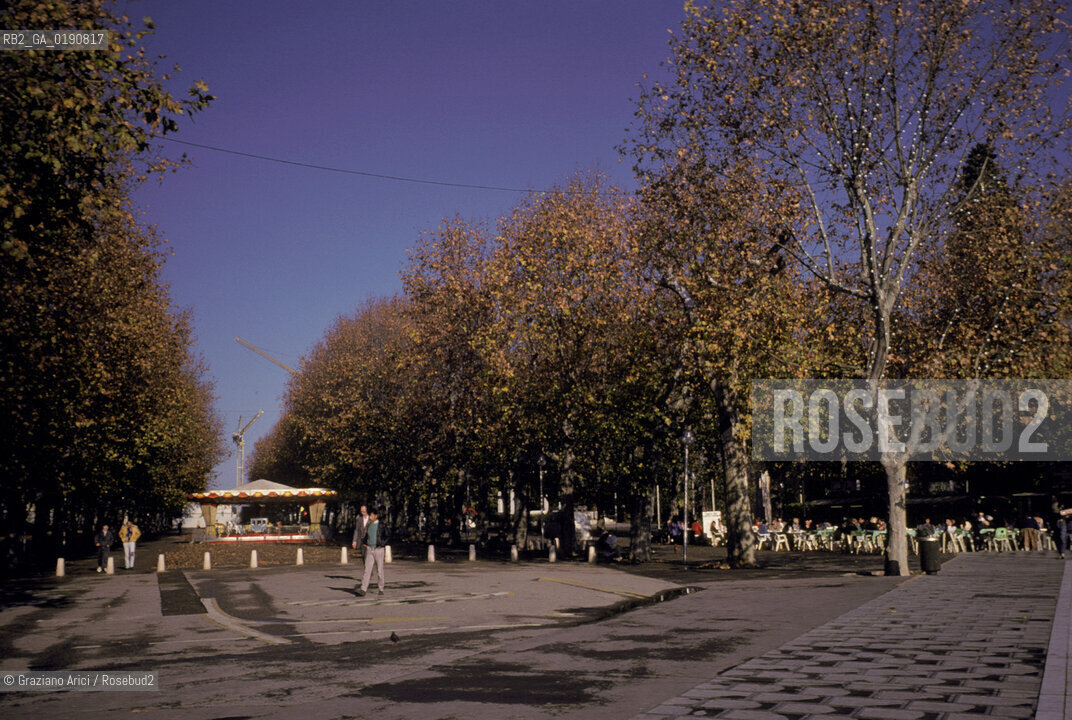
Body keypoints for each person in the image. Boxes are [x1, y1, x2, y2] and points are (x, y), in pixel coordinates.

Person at [357, 507, 388, 597]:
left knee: (380, 570)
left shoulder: (381, 525)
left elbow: (388, 535)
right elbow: (366, 535)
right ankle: (363, 589)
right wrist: (364, 543)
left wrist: (382, 544)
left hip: (378, 549)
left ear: (375, 516)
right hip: (370, 549)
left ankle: (381, 588)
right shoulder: (369, 525)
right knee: (367, 570)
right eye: (369, 515)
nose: (370, 517)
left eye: (371, 515)